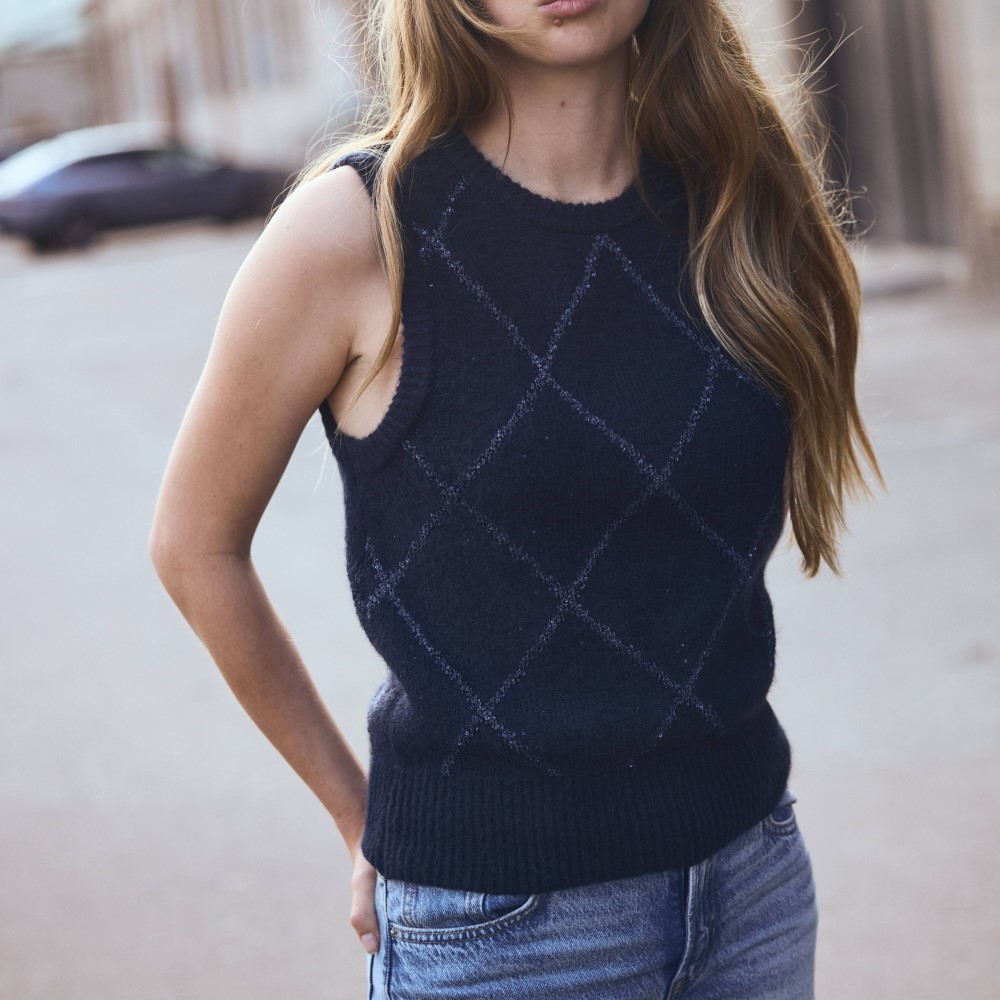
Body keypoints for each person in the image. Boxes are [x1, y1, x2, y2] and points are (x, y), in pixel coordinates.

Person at [149, 0, 883, 997]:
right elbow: (193, 543)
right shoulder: (359, 228)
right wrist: (354, 813)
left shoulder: (732, 197)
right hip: (502, 930)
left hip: (751, 889)